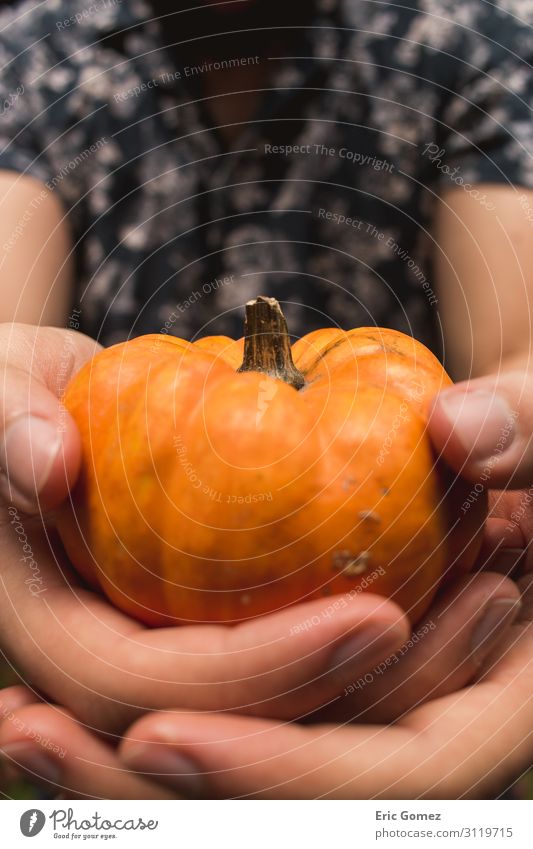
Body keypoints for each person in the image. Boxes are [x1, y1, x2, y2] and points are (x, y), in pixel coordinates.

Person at [0, 0, 533, 799]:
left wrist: (514, 404)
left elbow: (516, 339)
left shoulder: (465, 42)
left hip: (413, 633)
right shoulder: (39, 51)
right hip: (111, 670)